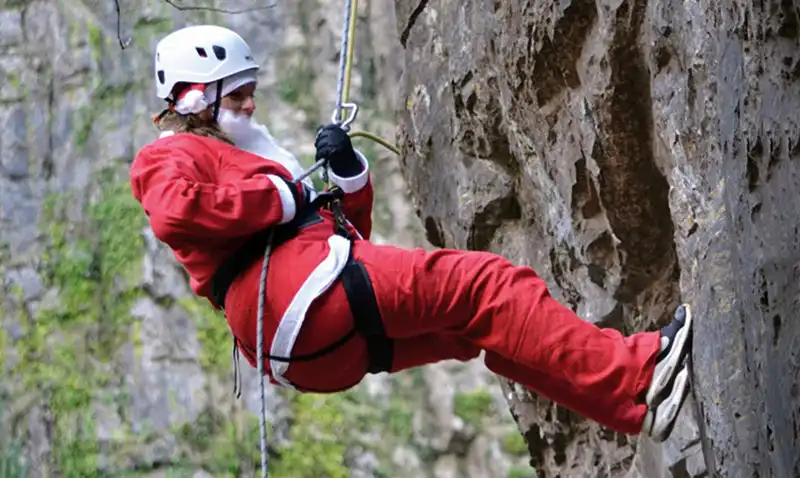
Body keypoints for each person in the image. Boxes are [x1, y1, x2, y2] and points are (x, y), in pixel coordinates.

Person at [130, 24, 695, 443]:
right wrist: (288, 196)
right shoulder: (170, 156)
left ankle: (633, 408)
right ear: (195, 97)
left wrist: (346, 173)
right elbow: (175, 213)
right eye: (237, 95)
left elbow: (351, 246)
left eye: (250, 90)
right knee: (488, 287)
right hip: (298, 300)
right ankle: (639, 371)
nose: (251, 103)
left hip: (309, 344)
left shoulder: (246, 158)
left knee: (479, 326)